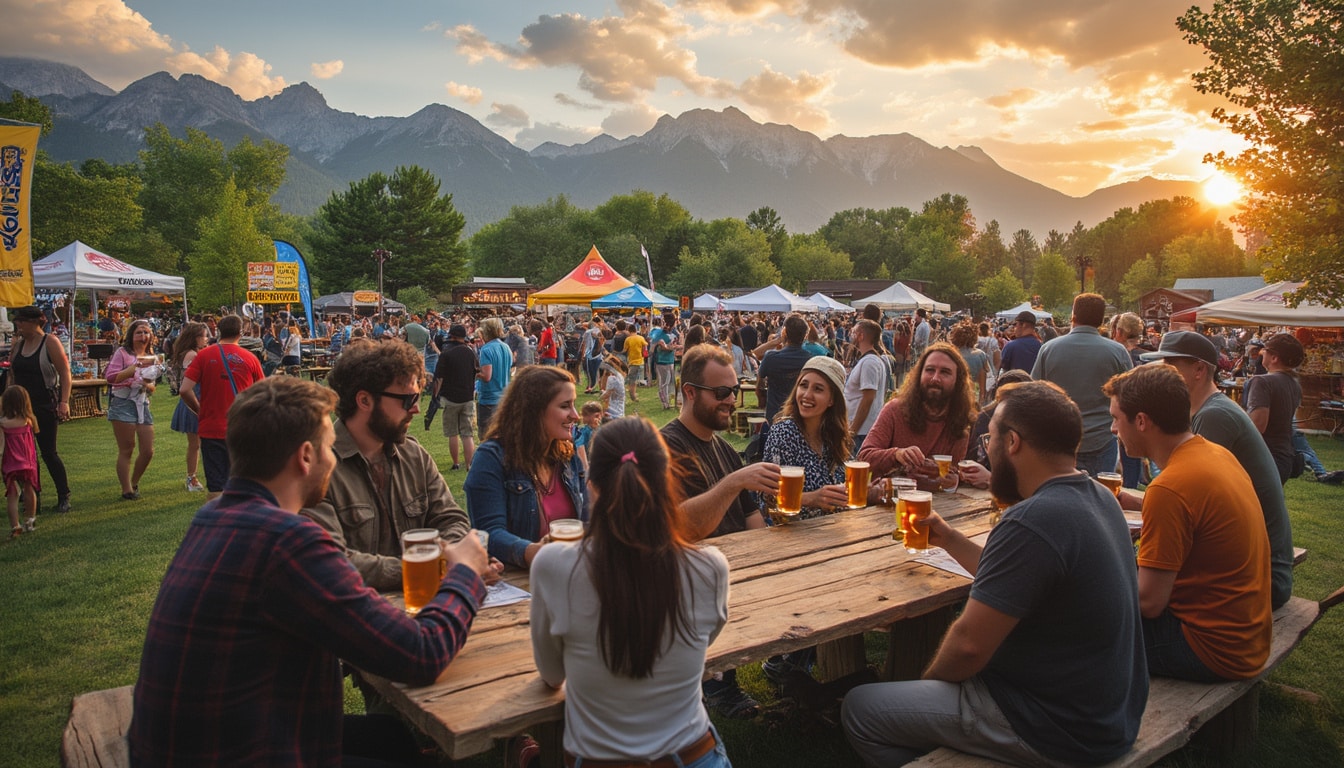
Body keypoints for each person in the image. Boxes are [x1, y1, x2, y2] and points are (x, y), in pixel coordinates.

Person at [129, 376, 492, 767]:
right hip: (238, 751)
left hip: (197, 742)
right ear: (306, 456)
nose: (334, 460)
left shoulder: (215, 515)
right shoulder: (287, 543)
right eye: (330, 448)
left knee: (392, 738)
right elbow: (422, 654)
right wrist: (464, 574)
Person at [842, 381, 1147, 767]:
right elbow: (1019, 580)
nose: (988, 449)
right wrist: (950, 539)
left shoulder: (1032, 519)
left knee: (861, 708)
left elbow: (968, 646)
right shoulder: (1099, 497)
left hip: (1054, 727)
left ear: (1013, 443)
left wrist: (930, 687)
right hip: (1109, 717)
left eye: (991, 439)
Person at [531, 416, 732, 768]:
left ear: (592, 485)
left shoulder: (554, 566)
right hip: (695, 756)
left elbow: (551, 675)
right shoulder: (711, 568)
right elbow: (701, 644)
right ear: (668, 479)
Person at [1104, 364, 1272, 682]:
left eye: (1116, 418)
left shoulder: (1170, 488)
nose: (1113, 429)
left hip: (1208, 649)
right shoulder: (1216, 454)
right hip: (1247, 640)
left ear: (1141, 421)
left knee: (1072, 617)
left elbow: (1149, 603)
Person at [300, 338, 474, 589]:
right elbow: (334, 563)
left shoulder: (414, 455)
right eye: (408, 401)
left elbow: (452, 519)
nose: (415, 410)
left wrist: (447, 558)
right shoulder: (316, 468)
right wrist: (429, 567)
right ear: (365, 401)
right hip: (355, 616)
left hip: (426, 606)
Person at [1139, 331, 1294, 609]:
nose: (1162, 372)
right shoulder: (1211, 409)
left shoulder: (1214, 416)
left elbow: (1184, 502)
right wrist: (1137, 500)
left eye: (1169, 366)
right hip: (1254, 567)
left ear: (1199, 369)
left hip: (1261, 580)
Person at [660, 344, 775, 720]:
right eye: (721, 393)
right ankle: (715, 680)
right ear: (690, 392)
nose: (731, 400)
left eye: (734, 389)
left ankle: (789, 665)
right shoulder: (665, 448)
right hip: (691, 581)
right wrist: (732, 484)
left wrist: (772, 563)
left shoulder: (725, 450)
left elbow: (752, 521)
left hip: (736, 571)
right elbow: (680, 527)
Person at [465, 366, 588, 568]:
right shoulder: (492, 458)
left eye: (574, 405)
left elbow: (587, 519)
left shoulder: (567, 455)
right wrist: (531, 552)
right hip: (517, 585)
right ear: (535, 410)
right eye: (565, 406)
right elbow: (489, 534)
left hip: (568, 575)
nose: (576, 415)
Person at [1031, 293, 1133, 476]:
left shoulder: (1049, 349)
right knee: (1100, 497)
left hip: (1058, 440)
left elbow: (1034, 393)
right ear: (1101, 320)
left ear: (1073, 316)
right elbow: (1129, 397)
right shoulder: (1117, 351)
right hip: (1101, 438)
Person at [858, 342, 977, 478]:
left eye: (945, 372)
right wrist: (897, 454)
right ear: (920, 374)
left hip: (937, 498)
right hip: (891, 496)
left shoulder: (960, 420)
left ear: (958, 380)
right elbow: (863, 457)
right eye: (930, 370)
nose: (935, 378)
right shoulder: (894, 410)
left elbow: (952, 474)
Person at [180, 315, 266, 497]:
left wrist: (199, 410)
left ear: (218, 331)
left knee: (216, 486)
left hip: (211, 427)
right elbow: (262, 395)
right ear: (241, 333)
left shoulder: (203, 355)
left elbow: (185, 390)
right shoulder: (250, 359)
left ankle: (217, 523)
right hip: (241, 428)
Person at [764, 356, 851, 519]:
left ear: (832, 399)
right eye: (803, 386)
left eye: (818, 389)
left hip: (834, 529)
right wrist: (811, 498)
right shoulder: (784, 432)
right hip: (794, 535)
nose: (807, 395)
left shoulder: (833, 435)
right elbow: (768, 497)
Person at [8, 306, 72, 513]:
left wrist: (64, 401)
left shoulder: (50, 342)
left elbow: (64, 372)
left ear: (33, 322)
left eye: (20, 321)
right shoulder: (18, 344)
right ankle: (32, 494)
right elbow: (12, 373)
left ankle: (64, 494)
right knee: (24, 454)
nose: (18, 324)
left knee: (48, 452)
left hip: (44, 402)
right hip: (20, 406)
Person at [104, 319, 161, 500]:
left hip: (142, 403)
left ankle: (135, 481)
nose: (143, 336)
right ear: (131, 335)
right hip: (123, 402)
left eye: (146, 332)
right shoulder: (122, 353)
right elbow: (111, 378)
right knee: (127, 448)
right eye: (139, 332)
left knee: (148, 450)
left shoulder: (152, 356)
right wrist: (132, 371)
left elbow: (153, 387)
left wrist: (147, 384)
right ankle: (127, 489)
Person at [1245, 333, 1304, 484]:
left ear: (1274, 358)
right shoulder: (1293, 384)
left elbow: (1258, 426)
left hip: (1262, 458)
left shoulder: (1262, 382)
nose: (1262, 353)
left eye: (1265, 350)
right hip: (1284, 457)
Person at [756, 314, 818, 439]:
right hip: (800, 413)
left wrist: (776, 341)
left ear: (784, 332)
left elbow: (755, 354)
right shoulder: (810, 360)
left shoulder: (771, 357)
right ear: (805, 335)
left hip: (775, 413)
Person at [432, 324, 480, 472]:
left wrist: (435, 395)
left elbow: (439, 378)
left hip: (450, 397)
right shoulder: (470, 352)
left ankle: (456, 463)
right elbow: (477, 371)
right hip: (467, 396)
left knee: (452, 433)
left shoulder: (446, 354)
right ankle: (469, 465)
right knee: (467, 434)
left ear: (451, 336)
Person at [168, 322, 209, 492]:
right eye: (204, 336)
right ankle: (191, 477)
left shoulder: (188, 353)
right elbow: (190, 381)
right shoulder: (192, 355)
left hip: (193, 399)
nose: (206, 339)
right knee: (196, 443)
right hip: (195, 400)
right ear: (195, 337)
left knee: (196, 443)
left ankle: (193, 477)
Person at [2, 386, 40, 538]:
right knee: (29, 490)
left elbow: (1, 446)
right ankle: (30, 521)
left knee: (13, 494)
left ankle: (15, 526)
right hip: (27, 462)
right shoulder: (29, 421)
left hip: (10, 463)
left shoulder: (3, 423)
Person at [845, 319, 888, 451]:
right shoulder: (868, 360)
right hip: (859, 430)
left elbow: (868, 398)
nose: (851, 336)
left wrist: (852, 431)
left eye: (853, 332)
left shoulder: (870, 362)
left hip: (861, 432)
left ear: (861, 335)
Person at [475, 317, 512, 440]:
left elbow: (486, 376)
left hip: (488, 398)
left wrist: (474, 373)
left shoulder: (486, 349)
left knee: (486, 436)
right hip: (503, 396)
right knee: (502, 434)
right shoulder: (506, 347)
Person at [949, 322, 989, 405]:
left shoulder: (951, 354)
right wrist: (982, 402)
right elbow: (983, 383)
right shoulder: (980, 355)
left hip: (954, 397)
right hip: (972, 396)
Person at [997, 310, 1041, 375]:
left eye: (1016, 325)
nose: (1014, 328)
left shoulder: (1011, 346)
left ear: (1023, 325)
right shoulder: (1042, 346)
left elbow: (1003, 370)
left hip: (1016, 383)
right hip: (1036, 384)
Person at [649, 315, 679, 409]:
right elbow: (651, 350)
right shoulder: (659, 334)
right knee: (664, 383)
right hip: (662, 361)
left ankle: (668, 403)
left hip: (670, 361)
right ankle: (665, 404)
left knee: (668, 383)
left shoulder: (673, 333)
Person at [573, 401, 604, 471]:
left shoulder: (585, 431)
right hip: (589, 461)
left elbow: (579, 445)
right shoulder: (583, 430)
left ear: (597, 415)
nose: (582, 417)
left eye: (585, 415)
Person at [600, 353, 628, 419]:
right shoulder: (620, 376)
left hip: (613, 414)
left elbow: (606, 395)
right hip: (620, 412)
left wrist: (600, 396)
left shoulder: (612, 379)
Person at [624, 321, 648, 395]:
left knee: (632, 379)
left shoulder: (628, 339)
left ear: (629, 330)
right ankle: (634, 391)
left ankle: (632, 393)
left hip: (632, 361)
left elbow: (625, 350)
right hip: (641, 361)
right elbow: (645, 346)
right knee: (637, 378)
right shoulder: (641, 338)